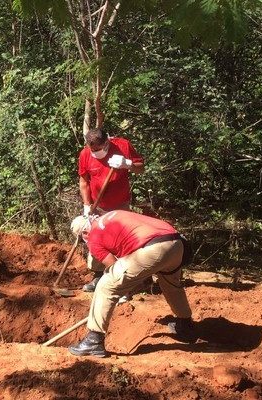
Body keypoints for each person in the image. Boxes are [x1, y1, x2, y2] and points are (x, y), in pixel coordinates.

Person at [68, 211, 196, 357]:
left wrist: (126, 289)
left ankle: (93, 341)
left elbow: (113, 268)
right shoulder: (111, 215)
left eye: (82, 238)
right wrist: (141, 280)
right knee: (171, 285)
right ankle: (186, 326)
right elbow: (133, 246)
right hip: (175, 243)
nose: (85, 241)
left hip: (152, 249)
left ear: (84, 232)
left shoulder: (93, 237)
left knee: (106, 285)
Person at [78, 127, 145, 292]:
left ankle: (125, 281)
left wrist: (127, 164)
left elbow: (141, 168)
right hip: (97, 206)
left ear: (107, 142)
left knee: (120, 241)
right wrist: (87, 206)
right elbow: (84, 181)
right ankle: (99, 276)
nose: (95, 153)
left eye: (98, 149)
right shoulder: (85, 154)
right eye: (92, 149)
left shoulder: (122, 146)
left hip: (120, 206)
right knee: (95, 238)